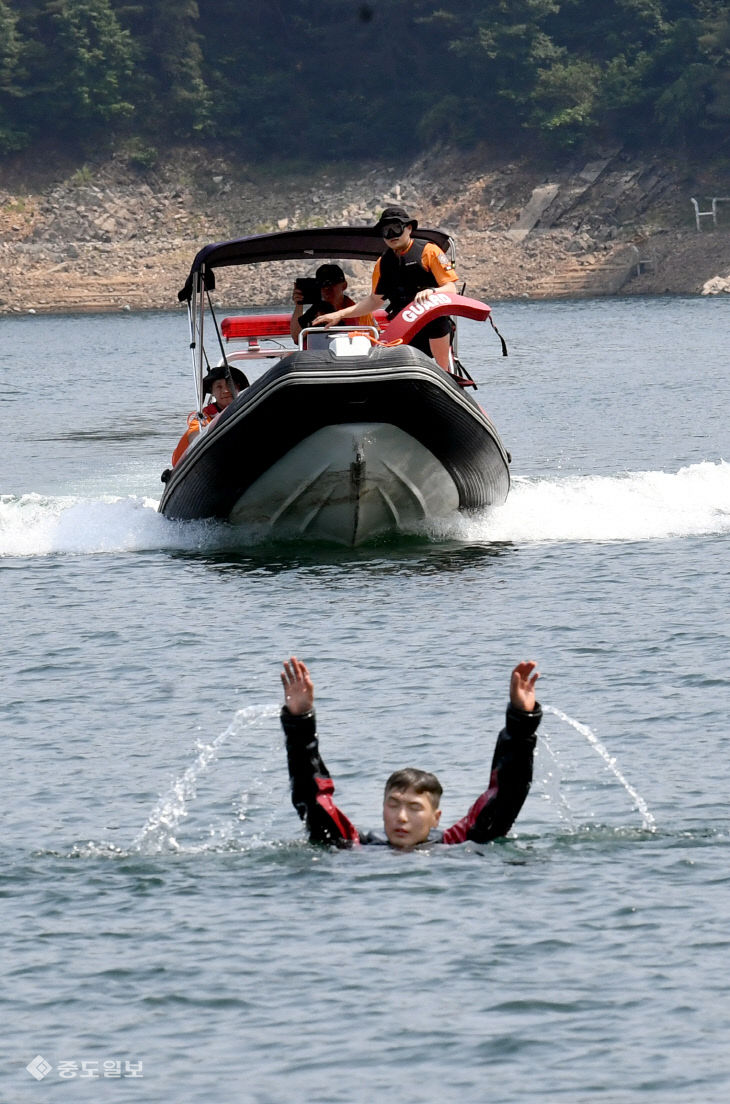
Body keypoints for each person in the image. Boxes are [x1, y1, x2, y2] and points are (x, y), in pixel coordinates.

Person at [279, 655, 541, 849]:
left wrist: (521, 722)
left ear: (435, 818)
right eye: (393, 805)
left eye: (415, 808)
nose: (401, 817)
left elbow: (506, 796)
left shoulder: (457, 844)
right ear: (382, 809)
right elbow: (313, 799)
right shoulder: (354, 845)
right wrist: (300, 720)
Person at [314, 206, 459, 371]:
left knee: (436, 322)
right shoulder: (382, 264)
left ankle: (444, 372)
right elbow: (374, 301)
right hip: (404, 327)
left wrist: (432, 292)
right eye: (386, 231)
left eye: (396, 229)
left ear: (409, 228)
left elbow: (450, 288)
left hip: (434, 325)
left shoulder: (429, 251)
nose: (391, 236)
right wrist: (338, 314)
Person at [171, 364, 249, 467]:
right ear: (212, 391)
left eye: (230, 385)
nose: (225, 391)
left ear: (238, 387)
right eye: (219, 386)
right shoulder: (204, 416)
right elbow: (194, 433)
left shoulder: (246, 409)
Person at [289, 263, 374, 343]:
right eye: (322, 284)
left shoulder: (360, 312)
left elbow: (373, 341)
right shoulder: (316, 310)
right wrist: (299, 304)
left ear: (344, 286)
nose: (326, 288)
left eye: (331, 283)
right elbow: (297, 337)